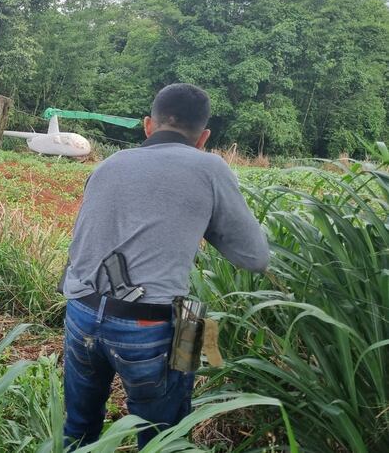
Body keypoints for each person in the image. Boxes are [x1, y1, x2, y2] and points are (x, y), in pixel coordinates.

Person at [60, 83, 269, 448]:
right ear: (203, 137)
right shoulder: (210, 168)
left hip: (82, 311)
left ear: (147, 126)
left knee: (78, 429)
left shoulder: (109, 163)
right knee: (161, 440)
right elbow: (255, 258)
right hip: (148, 324)